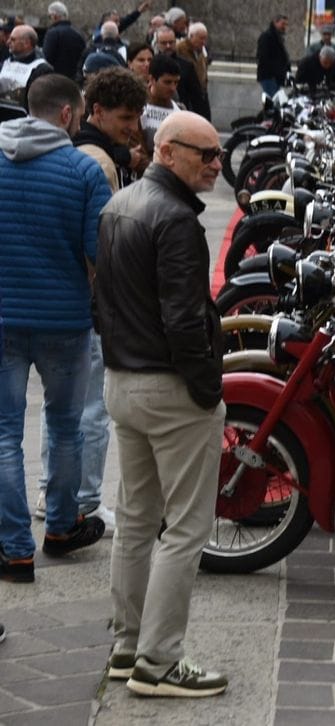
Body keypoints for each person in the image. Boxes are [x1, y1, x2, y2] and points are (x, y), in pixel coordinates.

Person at [96, 110, 228, 697]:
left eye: (217, 154)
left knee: (136, 521)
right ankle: (159, 662)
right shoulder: (175, 219)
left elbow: (102, 295)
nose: (216, 165)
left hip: (124, 379)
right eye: (206, 155)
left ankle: (128, 650)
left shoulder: (120, 204)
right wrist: (207, 389)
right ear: (168, 152)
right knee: (185, 529)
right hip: (168, 387)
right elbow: (183, 321)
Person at [0, 74, 111, 584]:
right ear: (67, 114)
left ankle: (14, 548)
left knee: (4, 433)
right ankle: (63, 526)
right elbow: (97, 255)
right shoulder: (83, 172)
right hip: (65, 320)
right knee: (65, 425)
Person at [34, 67, 147, 529]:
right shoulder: (96, 163)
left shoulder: (79, 153)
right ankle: (80, 499)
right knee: (90, 409)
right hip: (86, 303)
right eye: (125, 116)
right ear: (90, 110)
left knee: (56, 412)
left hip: (46, 301)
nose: (133, 126)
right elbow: (102, 244)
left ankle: (51, 496)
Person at [153, 26, 208, 120]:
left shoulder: (187, 66)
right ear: (157, 44)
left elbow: (197, 99)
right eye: (164, 43)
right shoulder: (151, 64)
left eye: (171, 42)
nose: (168, 46)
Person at [0, 25, 54, 107]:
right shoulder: (5, 63)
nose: (8, 42)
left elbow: (42, 101)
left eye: (13, 39)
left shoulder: (42, 69)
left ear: (26, 43)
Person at [140, 53, 182, 154]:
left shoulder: (180, 111)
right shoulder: (138, 109)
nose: (172, 88)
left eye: (176, 83)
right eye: (167, 82)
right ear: (152, 79)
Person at [42, 2, 86, 79]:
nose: (49, 19)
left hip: (54, 78)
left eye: (49, 16)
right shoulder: (79, 34)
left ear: (54, 16)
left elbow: (46, 58)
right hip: (73, 79)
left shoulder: (52, 33)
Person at [256, 14, 290, 97]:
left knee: (273, 100)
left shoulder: (276, 37)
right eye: (283, 24)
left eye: (286, 24)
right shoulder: (267, 36)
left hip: (275, 77)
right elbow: (263, 57)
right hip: (269, 76)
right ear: (275, 22)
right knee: (273, 100)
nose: (284, 27)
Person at [176, 22, 208, 100]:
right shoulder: (180, 49)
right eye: (201, 38)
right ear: (191, 36)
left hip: (200, 92)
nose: (203, 42)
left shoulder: (201, 51)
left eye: (205, 38)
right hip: (187, 93)